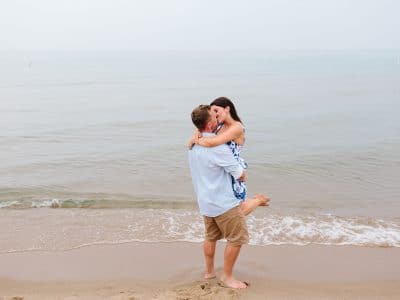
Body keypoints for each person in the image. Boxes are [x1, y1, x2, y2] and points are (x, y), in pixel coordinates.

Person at [188, 104, 270, 289]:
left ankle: (209, 273)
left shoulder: (193, 144)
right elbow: (240, 174)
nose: (217, 119)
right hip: (223, 202)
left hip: (205, 201)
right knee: (237, 238)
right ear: (210, 124)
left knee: (210, 237)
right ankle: (227, 277)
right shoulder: (218, 148)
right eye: (214, 117)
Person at [189, 97, 267, 216]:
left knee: (237, 210)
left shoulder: (237, 127)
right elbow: (197, 134)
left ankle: (258, 200)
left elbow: (212, 142)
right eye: (212, 112)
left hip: (232, 166)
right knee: (229, 208)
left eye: (216, 110)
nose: (214, 115)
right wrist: (194, 138)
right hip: (222, 167)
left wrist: (197, 141)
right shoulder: (218, 125)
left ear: (227, 109)